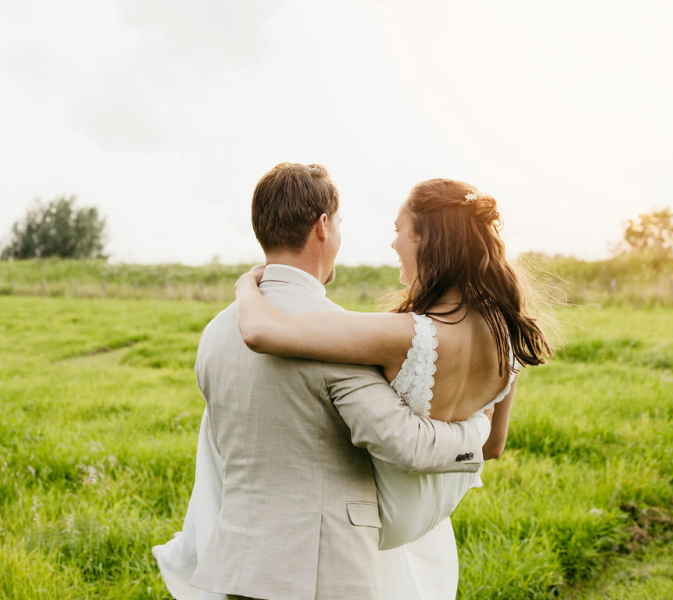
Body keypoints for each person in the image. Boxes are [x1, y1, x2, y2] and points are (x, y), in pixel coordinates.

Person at [152, 163, 493, 600]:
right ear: (323, 226)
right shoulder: (338, 336)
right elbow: (403, 443)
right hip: (326, 573)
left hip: (236, 566)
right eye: (340, 224)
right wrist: (477, 429)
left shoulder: (215, 334)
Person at [233, 177, 553, 599]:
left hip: (372, 525)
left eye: (398, 231)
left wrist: (245, 285)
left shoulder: (402, 335)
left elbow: (258, 332)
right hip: (430, 524)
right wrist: (469, 430)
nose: (393, 243)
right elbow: (492, 446)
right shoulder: (508, 336)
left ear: (427, 241)